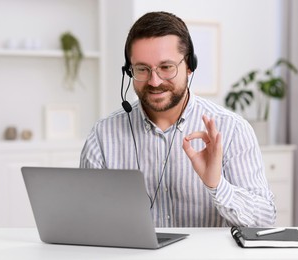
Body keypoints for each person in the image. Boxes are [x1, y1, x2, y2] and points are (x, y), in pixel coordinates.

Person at [80, 11, 276, 227]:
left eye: (166, 67)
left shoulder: (232, 130)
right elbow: (88, 221)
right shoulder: (103, 135)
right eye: (142, 69)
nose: (154, 81)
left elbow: (265, 221)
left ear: (190, 65)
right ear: (129, 71)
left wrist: (217, 185)